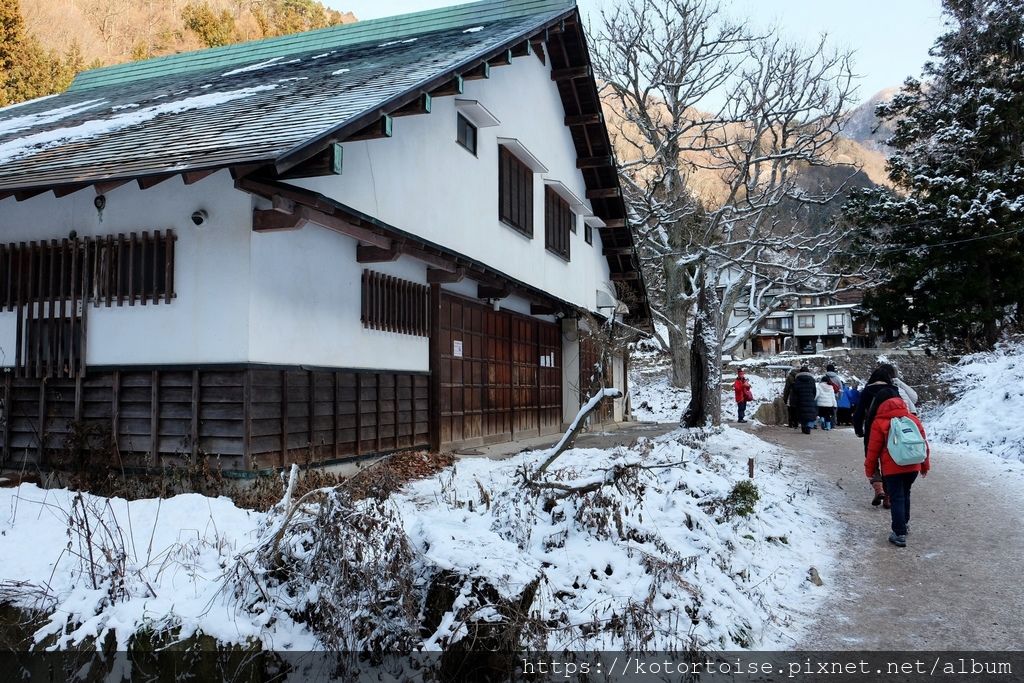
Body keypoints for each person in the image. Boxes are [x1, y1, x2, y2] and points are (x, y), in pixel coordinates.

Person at [864, 395, 930, 547]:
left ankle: (899, 533)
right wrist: (924, 464)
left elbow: (873, 450)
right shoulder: (913, 420)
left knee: (897, 497)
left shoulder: (879, 422)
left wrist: (870, 470)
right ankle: (904, 525)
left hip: (892, 468)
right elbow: (923, 444)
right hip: (913, 465)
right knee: (905, 493)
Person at [853, 366, 901, 507]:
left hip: (872, 431)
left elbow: (859, 413)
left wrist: (858, 430)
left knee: (872, 460)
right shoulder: (894, 391)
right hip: (891, 431)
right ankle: (888, 496)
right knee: (888, 462)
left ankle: (878, 488)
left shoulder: (867, 391)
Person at [792, 366, 819, 434]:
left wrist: (794, 400)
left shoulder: (797, 380)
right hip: (810, 399)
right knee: (809, 414)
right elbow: (814, 391)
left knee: (802, 414)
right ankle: (808, 427)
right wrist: (812, 397)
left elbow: (795, 391)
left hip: (800, 400)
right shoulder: (812, 380)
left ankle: (804, 428)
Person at [782, 363, 801, 428]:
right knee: (797, 410)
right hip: (799, 396)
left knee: (790, 410)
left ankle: (790, 424)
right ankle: (796, 423)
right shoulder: (801, 376)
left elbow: (786, 389)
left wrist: (785, 398)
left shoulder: (789, 377)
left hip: (791, 396)